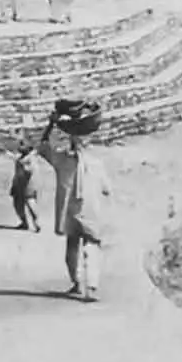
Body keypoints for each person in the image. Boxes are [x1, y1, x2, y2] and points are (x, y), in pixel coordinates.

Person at [37, 116, 111, 302]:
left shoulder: (63, 161)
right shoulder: (93, 163)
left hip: (74, 210)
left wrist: (51, 125)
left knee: (76, 246)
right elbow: (107, 189)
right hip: (86, 209)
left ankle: (80, 283)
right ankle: (88, 286)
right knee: (88, 246)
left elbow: (43, 146)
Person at [10, 143, 40, 232]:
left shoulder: (31, 159)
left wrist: (23, 164)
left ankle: (36, 223)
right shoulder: (20, 158)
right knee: (18, 205)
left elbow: (29, 171)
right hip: (18, 184)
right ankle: (24, 223)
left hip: (28, 185)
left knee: (31, 205)